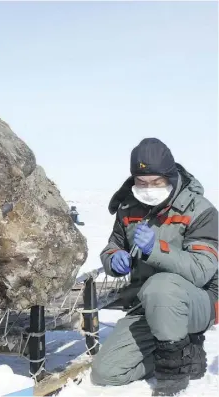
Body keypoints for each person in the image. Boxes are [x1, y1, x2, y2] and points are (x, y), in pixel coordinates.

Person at [91, 138, 218, 396]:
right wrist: (114, 258)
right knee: (106, 373)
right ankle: (184, 351)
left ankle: (173, 375)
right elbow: (112, 245)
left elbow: (201, 269)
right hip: (147, 304)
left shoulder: (201, 211)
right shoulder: (127, 209)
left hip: (198, 302)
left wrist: (155, 249)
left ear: (169, 177)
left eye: (156, 182)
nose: (148, 188)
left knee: (161, 286)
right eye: (141, 182)